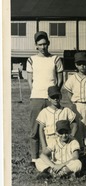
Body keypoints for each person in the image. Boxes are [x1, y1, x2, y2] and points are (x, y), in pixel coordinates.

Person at [26, 31, 64, 165]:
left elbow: (60, 80)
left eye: (45, 44)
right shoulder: (31, 60)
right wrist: (36, 91)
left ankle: (52, 156)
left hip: (51, 98)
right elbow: (30, 80)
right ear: (36, 45)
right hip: (36, 97)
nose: (43, 47)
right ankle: (34, 157)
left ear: (48, 44)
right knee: (35, 128)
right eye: (40, 44)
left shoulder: (56, 59)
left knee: (52, 127)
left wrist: (53, 94)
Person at [37, 86, 77, 150]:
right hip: (50, 140)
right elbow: (41, 129)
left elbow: (75, 125)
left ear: (60, 97)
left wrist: (71, 136)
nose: (55, 99)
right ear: (49, 98)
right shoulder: (44, 112)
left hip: (64, 140)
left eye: (57, 97)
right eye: (53, 97)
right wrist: (44, 145)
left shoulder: (66, 110)